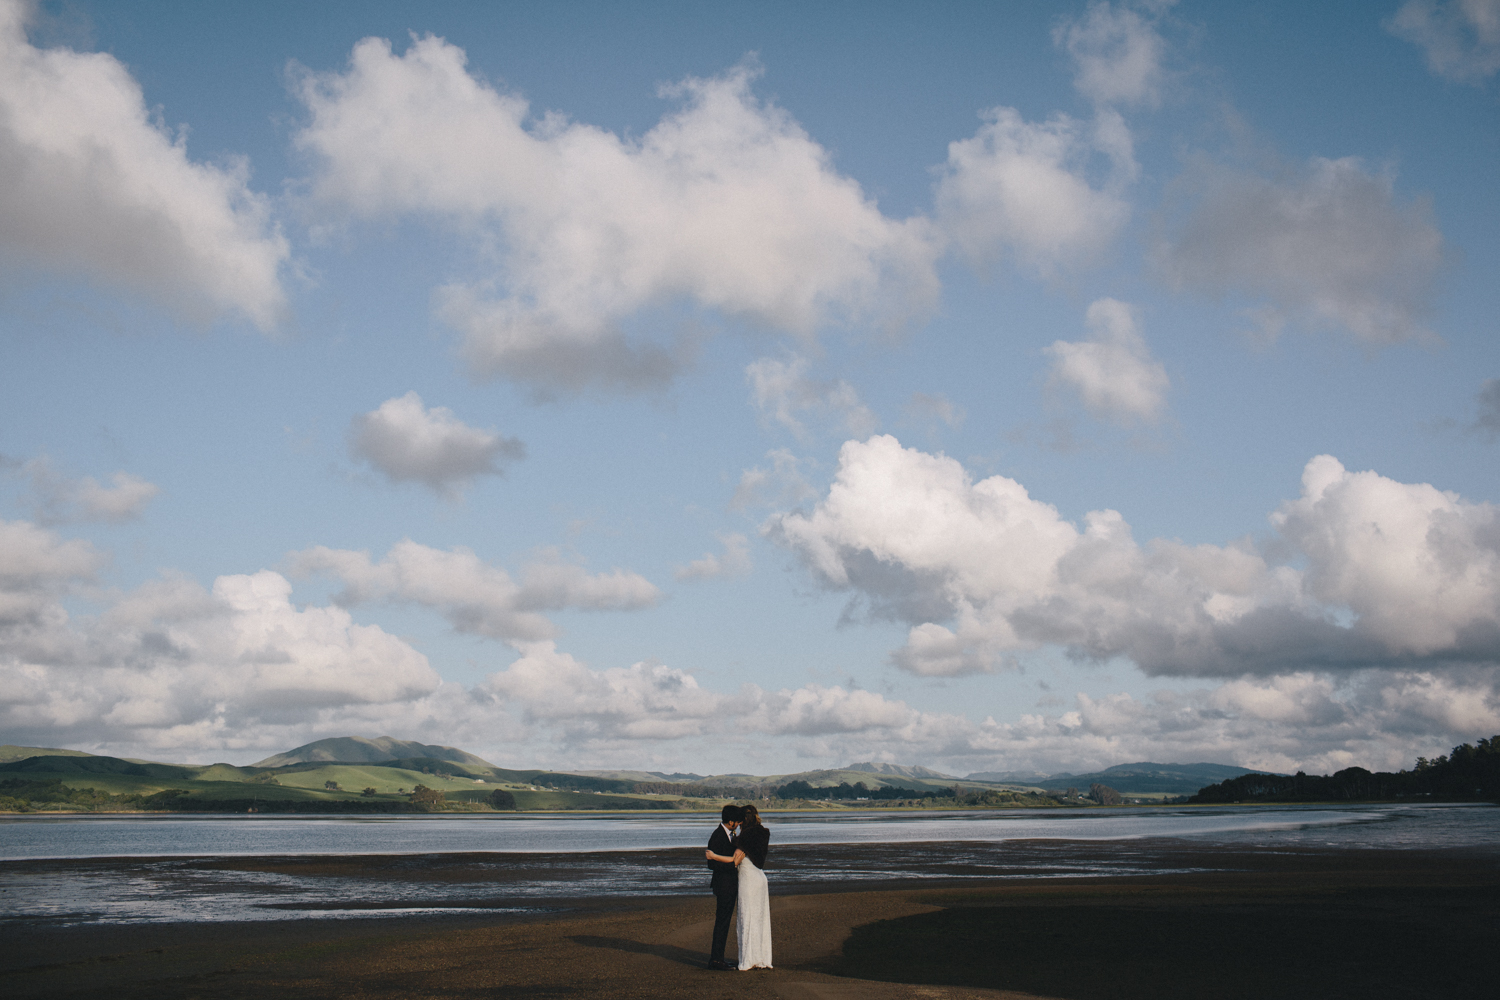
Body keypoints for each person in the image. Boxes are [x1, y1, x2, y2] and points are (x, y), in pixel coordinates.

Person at [731, 803, 772, 970]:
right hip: (760, 878)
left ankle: (748, 959)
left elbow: (735, 860)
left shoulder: (744, 837)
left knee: (747, 917)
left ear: (743, 820)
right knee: (760, 918)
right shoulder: (763, 833)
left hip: (748, 880)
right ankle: (761, 957)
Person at [703, 803, 743, 970]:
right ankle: (716, 959)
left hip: (728, 885)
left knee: (724, 922)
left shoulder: (729, 834)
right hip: (724, 885)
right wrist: (732, 865)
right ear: (731, 822)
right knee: (722, 922)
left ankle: (718, 958)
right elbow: (711, 864)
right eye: (738, 822)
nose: (739, 825)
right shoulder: (718, 836)